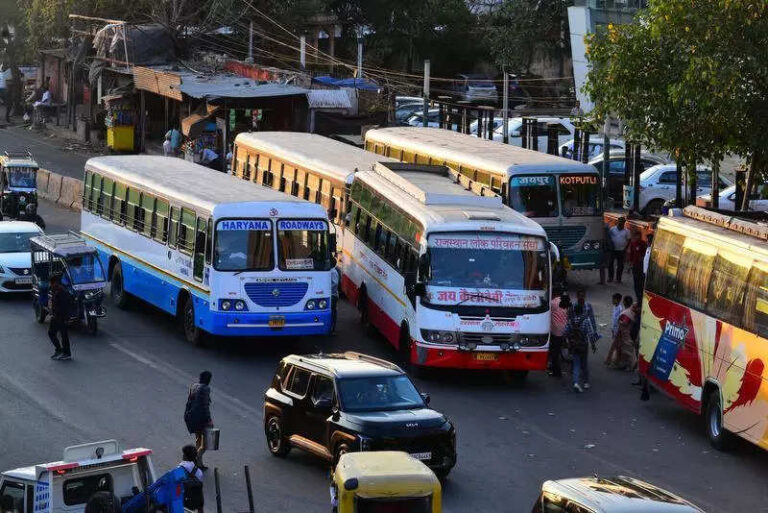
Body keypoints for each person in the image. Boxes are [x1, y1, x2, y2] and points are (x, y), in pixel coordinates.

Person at [566, 302, 600, 393]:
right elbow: (590, 334)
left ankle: (576, 382)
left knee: (576, 364)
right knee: (584, 364)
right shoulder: (586, 320)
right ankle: (585, 382)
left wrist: (569, 343)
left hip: (574, 345)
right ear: (582, 311)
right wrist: (593, 345)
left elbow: (566, 332)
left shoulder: (571, 321)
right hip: (583, 345)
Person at [184, 371, 213, 470]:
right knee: (205, 444)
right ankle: (195, 460)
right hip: (200, 419)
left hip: (191, 417)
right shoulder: (205, 389)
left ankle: (199, 464)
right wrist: (209, 420)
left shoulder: (194, 386)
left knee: (198, 441)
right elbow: (205, 406)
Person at [48, 273, 73, 360]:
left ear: (55, 282)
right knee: (53, 333)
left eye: (51, 282)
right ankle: (61, 350)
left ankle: (65, 352)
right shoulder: (56, 290)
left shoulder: (62, 292)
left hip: (61, 317)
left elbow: (66, 306)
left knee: (63, 335)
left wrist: (67, 318)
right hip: (56, 316)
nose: (50, 285)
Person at [548, 292, 571, 378]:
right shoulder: (566, 302)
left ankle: (556, 372)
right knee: (557, 349)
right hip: (564, 329)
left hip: (555, 331)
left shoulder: (553, 302)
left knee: (555, 352)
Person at [178, 445, 204, 513]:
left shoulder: (179, 468)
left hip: (182, 500)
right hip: (195, 501)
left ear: (185, 456)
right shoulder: (199, 472)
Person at [615, 296, 637, 371]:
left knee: (627, 349)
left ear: (624, 302)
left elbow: (625, 323)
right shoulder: (631, 311)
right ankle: (624, 364)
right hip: (627, 333)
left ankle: (629, 365)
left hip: (626, 334)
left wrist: (619, 322)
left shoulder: (627, 313)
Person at [626, 230, 648, 302]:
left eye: (639, 236)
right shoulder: (633, 244)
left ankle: (641, 296)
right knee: (636, 282)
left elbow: (646, 254)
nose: (638, 237)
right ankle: (638, 297)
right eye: (637, 236)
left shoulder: (643, 244)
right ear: (635, 236)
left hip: (641, 266)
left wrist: (643, 257)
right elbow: (631, 255)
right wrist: (630, 265)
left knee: (641, 282)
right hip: (635, 266)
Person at [608, 217, 631, 283]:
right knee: (610, 264)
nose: (621, 223)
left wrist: (625, 249)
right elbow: (609, 238)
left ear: (624, 223)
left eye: (622, 222)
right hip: (613, 250)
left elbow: (629, 240)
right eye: (620, 222)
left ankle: (618, 279)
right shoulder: (612, 229)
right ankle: (610, 278)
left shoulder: (627, 231)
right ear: (617, 222)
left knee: (620, 265)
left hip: (621, 250)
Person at [604, 293, 624, 366]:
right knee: (617, 347)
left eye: (614, 299)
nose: (612, 301)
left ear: (618, 300)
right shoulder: (614, 307)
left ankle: (609, 360)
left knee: (615, 347)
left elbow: (619, 321)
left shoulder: (620, 309)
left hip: (618, 331)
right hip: (615, 330)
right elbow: (613, 319)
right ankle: (615, 360)